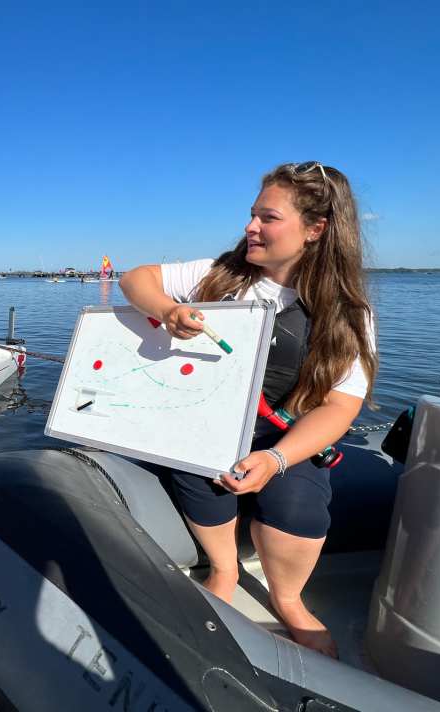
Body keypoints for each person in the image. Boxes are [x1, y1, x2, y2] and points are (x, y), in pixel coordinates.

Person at [120, 161, 377, 658]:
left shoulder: (350, 313)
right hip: (213, 422)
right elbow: (136, 278)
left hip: (286, 434)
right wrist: (167, 309)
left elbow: (340, 405)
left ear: (315, 229)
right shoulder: (218, 276)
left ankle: (288, 599)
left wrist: (277, 459)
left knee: (298, 508)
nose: (250, 226)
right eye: (252, 214)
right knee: (201, 472)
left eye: (268, 217)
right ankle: (225, 569)